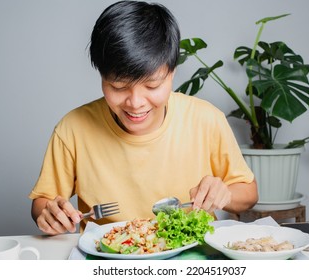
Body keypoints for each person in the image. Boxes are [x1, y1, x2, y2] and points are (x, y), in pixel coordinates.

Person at [29, 0, 258, 236]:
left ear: (172, 72)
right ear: (101, 76)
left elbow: (249, 193)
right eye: (118, 87)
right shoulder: (73, 128)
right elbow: (43, 201)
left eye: (152, 85)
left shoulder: (206, 119)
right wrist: (49, 213)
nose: (135, 103)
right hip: (107, 259)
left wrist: (225, 194)